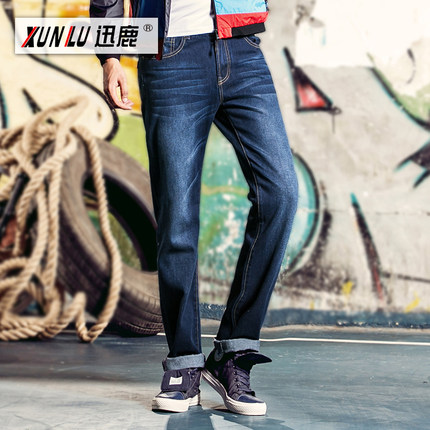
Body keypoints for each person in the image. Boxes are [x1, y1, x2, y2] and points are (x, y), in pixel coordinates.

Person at [90, 0, 298, 416]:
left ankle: (233, 352)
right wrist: (110, 57)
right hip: (170, 55)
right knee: (178, 218)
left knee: (281, 194)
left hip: (240, 49)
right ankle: (184, 362)